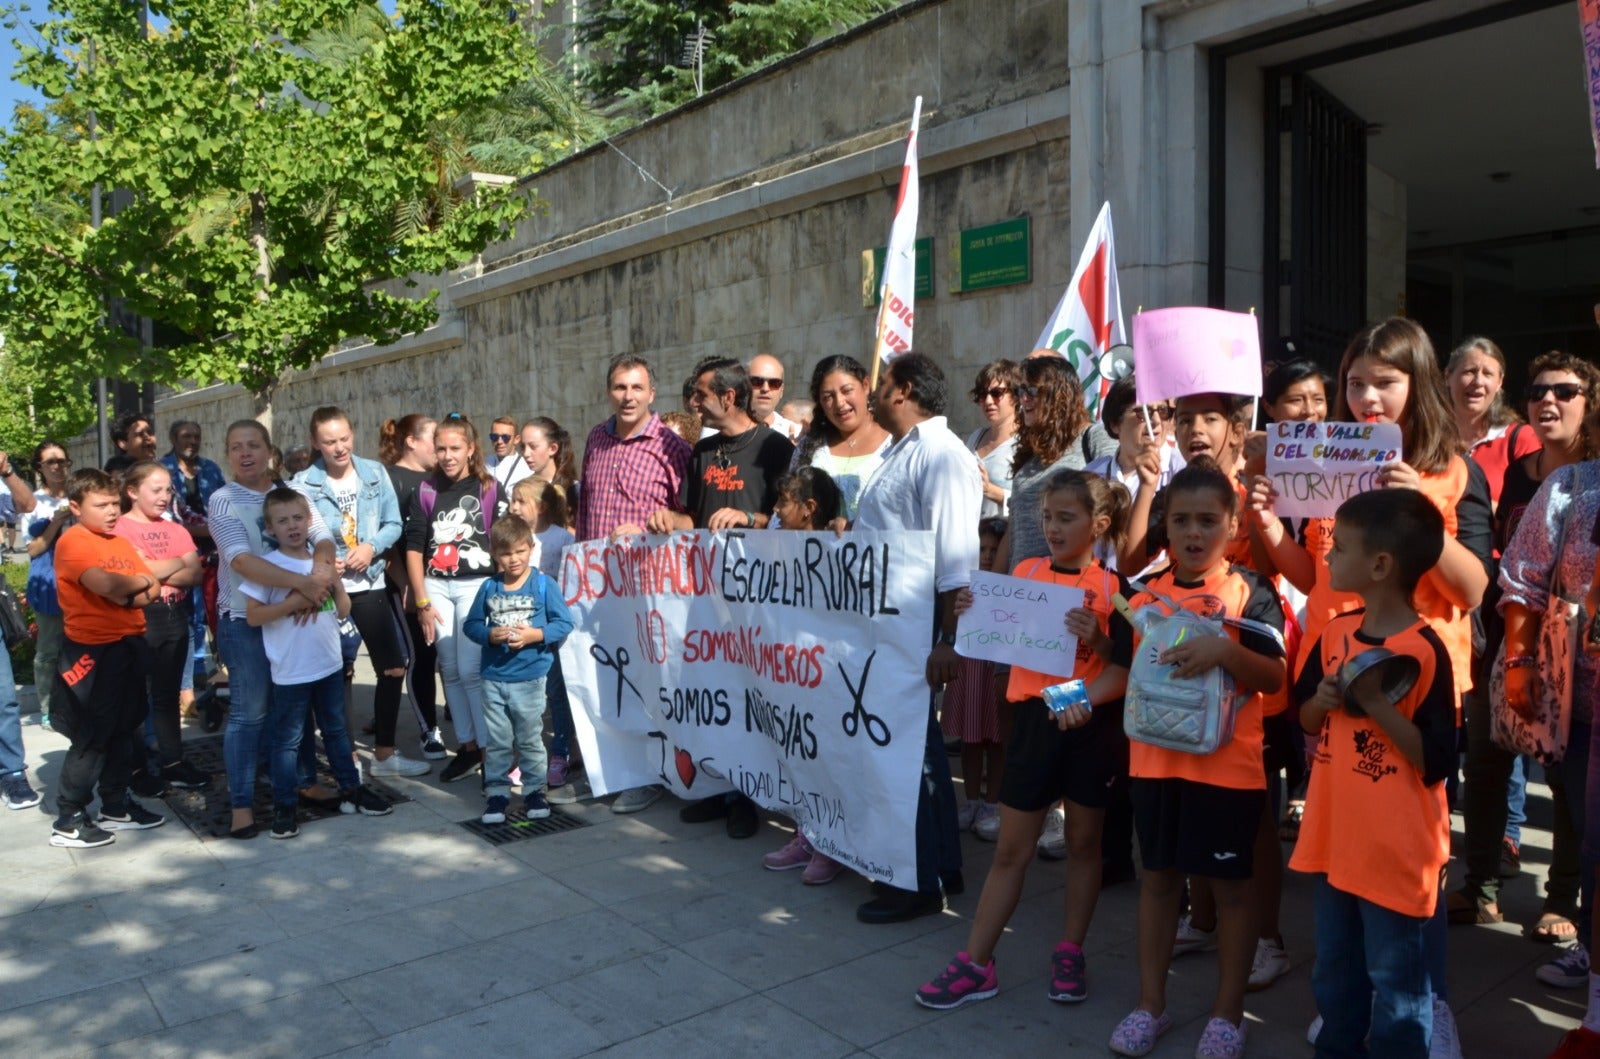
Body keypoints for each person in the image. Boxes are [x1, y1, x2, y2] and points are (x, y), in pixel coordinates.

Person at [915, 471, 1133, 1011]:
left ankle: (1069, 951)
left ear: (1098, 525)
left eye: (1066, 518)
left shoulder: (1113, 588)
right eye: (1046, 517)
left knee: (1084, 845)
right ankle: (976, 962)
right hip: (1035, 726)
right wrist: (968, 613)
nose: (1052, 528)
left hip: (1090, 729)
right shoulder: (1024, 571)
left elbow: (1126, 667)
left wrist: (1098, 639)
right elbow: (992, 637)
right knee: (1012, 850)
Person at [1107, 459, 1286, 1059]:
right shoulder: (1139, 593)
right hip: (1152, 766)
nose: (1193, 532)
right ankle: (1149, 1005)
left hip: (1227, 772)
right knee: (1158, 883)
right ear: (1165, 524)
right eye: (1181, 519)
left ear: (1233, 525)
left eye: (1208, 520)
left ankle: (1227, 1016)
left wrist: (1222, 651)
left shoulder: (1252, 592)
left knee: (1233, 893)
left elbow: (1276, 678)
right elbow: (1116, 666)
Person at [1290, 488, 1456, 1058]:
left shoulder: (1427, 648)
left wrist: (1377, 704)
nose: (1328, 556)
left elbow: (1436, 760)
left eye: (1338, 546)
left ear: (1380, 565)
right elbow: (1304, 714)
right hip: (1335, 841)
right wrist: (1326, 699)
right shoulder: (1335, 632)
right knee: (1334, 978)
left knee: (1399, 992)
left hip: (1396, 851)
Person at [1453, 353, 1600, 943]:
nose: (1549, 401)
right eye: (1539, 390)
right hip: (1509, 644)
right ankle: (1481, 888)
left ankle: (1561, 898)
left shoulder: (1590, 477)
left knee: (1568, 783)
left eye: (1566, 391)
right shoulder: (1522, 471)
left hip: (1577, 664)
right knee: (1487, 765)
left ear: (1590, 403)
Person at [851, 351, 980, 924]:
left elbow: (956, 560)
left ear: (902, 391)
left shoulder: (941, 455)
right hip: (889, 621)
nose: (873, 393)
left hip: (917, 622)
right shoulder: (904, 450)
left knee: (909, 753)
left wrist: (949, 639)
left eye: (880, 384)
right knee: (913, 748)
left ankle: (918, 882)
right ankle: (939, 864)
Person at [648, 355, 794, 838]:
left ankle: (752, 798)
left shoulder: (776, 448)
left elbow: (787, 517)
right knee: (717, 691)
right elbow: (695, 516)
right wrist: (672, 521)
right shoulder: (702, 451)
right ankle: (723, 787)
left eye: (701, 396)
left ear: (729, 397)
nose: (694, 404)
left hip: (758, 598)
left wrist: (747, 519)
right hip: (706, 596)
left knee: (754, 696)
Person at [1497, 367, 1600, 993]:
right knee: (1593, 841)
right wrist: (1516, 666)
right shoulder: (1573, 486)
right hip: (1586, 709)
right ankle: (1590, 948)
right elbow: (1524, 580)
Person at [209, 420, 339, 840]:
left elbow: (324, 539)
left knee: (294, 704)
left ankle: (302, 780)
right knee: (251, 714)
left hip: (299, 614)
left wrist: (318, 579)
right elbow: (240, 560)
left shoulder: (293, 496)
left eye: (252, 445)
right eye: (235, 447)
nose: (244, 453)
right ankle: (242, 804)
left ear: (269, 450)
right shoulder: (223, 500)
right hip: (245, 620)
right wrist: (304, 586)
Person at [575, 352, 692, 815]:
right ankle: (614, 769)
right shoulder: (595, 439)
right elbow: (585, 512)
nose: (628, 396)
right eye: (620, 387)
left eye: (636, 388)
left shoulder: (671, 445)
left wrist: (646, 530)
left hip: (650, 587)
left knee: (647, 680)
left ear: (651, 393)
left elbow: (688, 519)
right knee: (605, 677)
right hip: (598, 584)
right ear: (609, 391)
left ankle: (649, 774)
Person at [242, 488, 392, 839]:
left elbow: (343, 609)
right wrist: (294, 601)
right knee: (289, 740)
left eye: (297, 518)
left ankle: (352, 790)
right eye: (283, 521)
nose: (292, 526)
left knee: (338, 731)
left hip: (328, 664)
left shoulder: (320, 562)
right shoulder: (270, 569)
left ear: (309, 522)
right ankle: (284, 805)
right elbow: (253, 617)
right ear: (270, 527)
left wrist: (335, 586)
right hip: (291, 672)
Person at [293, 407, 425, 779]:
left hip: (370, 584)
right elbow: (291, 533)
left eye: (345, 438)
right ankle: (345, 756)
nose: (339, 448)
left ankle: (384, 753)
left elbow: (393, 523)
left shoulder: (373, 472)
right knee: (337, 672)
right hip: (329, 591)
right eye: (330, 442)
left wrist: (370, 547)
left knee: (394, 665)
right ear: (316, 443)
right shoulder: (303, 483)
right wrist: (321, 561)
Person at [47, 468, 168, 848]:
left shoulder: (116, 542)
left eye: (116, 503)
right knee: (92, 737)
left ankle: (115, 804)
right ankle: (69, 817)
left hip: (129, 645)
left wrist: (136, 585)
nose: (113, 511)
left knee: (125, 729)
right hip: (92, 651)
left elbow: (151, 588)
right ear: (75, 506)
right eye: (101, 505)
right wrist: (138, 582)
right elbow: (107, 585)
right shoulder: (74, 541)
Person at [759, 466, 848, 885]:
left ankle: (831, 843)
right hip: (790, 672)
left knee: (826, 757)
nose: (776, 511)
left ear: (809, 508)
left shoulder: (836, 547)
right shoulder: (778, 546)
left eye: (783, 503)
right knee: (801, 756)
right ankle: (807, 835)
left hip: (824, 675)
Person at [405, 413, 498, 784]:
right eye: (440, 448)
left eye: (455, 448)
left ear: (471, 449)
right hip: (437, 586)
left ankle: (492, 751)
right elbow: (414, 549)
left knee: (473, 669)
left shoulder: (488, 488)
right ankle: (468, 745)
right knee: (451, 669)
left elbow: (504, 539)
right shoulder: (425, 490)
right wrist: (423, 602)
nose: (447, 455)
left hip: (477, 584)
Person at [463, 514, 574, 825]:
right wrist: (489, 635)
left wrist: (534, 635)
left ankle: (535, 790)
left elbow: (564, 623)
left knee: (528, 737)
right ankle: (497, 792)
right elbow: (470, 625)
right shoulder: (489, 587)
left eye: (519, 551)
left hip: (530, 677)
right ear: (495, 554)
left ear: (531, 547)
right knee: (498, 740)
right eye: (506, 553)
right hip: (494, 678)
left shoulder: (543, 584)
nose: (513, 559)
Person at [111, 461, 209, 792]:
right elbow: (131, 573)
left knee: (167, 696)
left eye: (169, 489)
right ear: (132, 491)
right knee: (135, 698)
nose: (165, 496)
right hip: (140, 617)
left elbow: (194, 574)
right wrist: (171, 566)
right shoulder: (120, 529)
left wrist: (153, 568)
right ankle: (136, 769)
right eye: (156, 490)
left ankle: (173, 763)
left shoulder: (176, 529)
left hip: (174, 614)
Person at [378, 413, 447, 761]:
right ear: (411, 441)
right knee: (422, 653)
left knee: (447, 652)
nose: (440, 447)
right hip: (405, 582)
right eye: (433, 439)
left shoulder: (441, 477)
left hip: (443, 579)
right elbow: (387, 540)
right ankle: (427, 729)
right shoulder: (389, 479)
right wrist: (405, 583)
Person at [507, 476, 578, 796]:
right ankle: (529, 756)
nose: (513, 507)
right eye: (512, 500)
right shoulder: (511, 538)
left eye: (521, 501)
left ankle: (561, 752)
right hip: (519, 631)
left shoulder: (562, 539)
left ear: (542, 507)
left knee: (557, 695)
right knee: (526, 699)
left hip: (550, 633)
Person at [942, 515, 1008, 840]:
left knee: (995, 740)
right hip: (968, 669)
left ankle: (992, 803)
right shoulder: (961, 583)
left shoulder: (1010, 587)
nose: (986, 555)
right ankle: (970, 801)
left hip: (994, 668)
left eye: (994, 549)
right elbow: (950, 622)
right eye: (981, 548)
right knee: (970, 738)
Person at [1085, 374, 1182, 573]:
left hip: (1153, 595)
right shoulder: (1091, 474)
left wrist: (1138, 588)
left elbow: (1178, 556)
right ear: (1114, 424)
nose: (1155, 420)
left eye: (1162, 411)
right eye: (1142, 412)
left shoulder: (1181, 469)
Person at [790, 354, 892, 519]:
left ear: (866, 386)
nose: (839, 402)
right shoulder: (808, 446)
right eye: (828, 397)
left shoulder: (895, 442)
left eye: (847, 391)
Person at [1447, 336, 1541, 509]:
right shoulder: (1429, 437)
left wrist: (1471, 508)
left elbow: (1534, 511)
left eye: (1487, 374)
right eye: (1469, 371)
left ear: (1499, 383)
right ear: (1448, 376)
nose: (1478, 382)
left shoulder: (1520, 439)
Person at [23, 441, 70, 732]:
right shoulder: (33, 501)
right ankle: (47, 708)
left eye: (62, 461)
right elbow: (32, 549)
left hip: (82, 582)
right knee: (50, 649)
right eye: (50, 462)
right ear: (39, 467)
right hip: (49, 582)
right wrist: (56, 523)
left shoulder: (80, 495)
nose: (57, 467)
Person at [967, 360, 1021, 518]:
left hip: (1006, 537)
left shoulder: (1026, 443)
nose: (988, 401)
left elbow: (1034, 500)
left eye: (997, 393)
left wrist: (989, 490)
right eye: (983, 395)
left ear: (1016, 396)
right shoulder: (975, 437)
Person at [748, 353, 801, 440]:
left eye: (774, 383)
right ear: (744, 385)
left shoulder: (797, 434)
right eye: (756, 381)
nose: (765, 389)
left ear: (781, 390)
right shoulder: (723, 431)